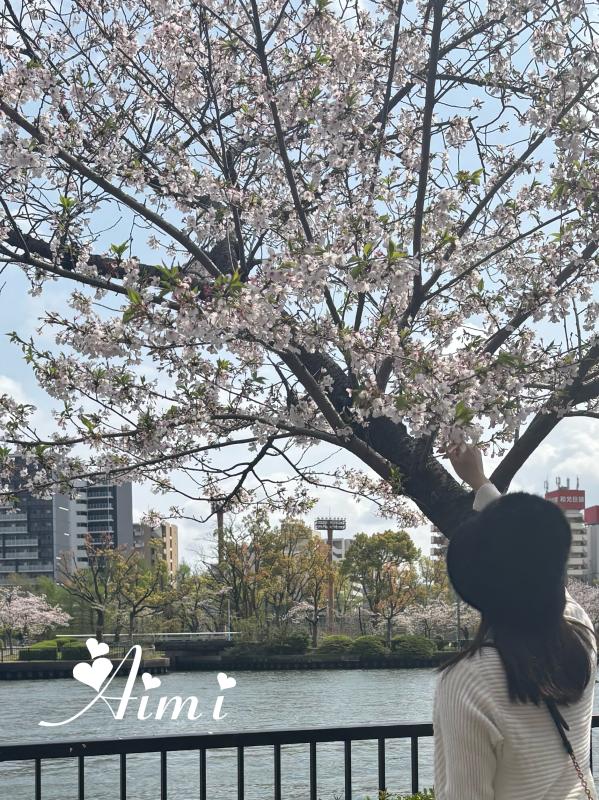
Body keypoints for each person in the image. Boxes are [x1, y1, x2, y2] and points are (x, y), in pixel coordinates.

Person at [433, 442, 597, 800]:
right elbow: (538, 566)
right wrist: (481, 483)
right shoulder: (581, 633)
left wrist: (478, 482)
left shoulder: (469, 679)